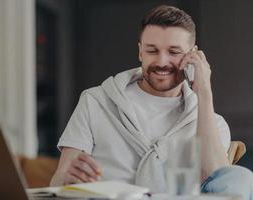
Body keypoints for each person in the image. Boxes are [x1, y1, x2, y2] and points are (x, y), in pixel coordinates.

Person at [51, 5, 253, 200]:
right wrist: (67, 181)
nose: (162, 62)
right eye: (152, 51)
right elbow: (59, 181)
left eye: (174, 52)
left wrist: (205, 93)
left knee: (242, 178)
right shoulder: (95, 101)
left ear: (193, 55)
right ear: (140, 52)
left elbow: (220, 189)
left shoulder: (211, 122)